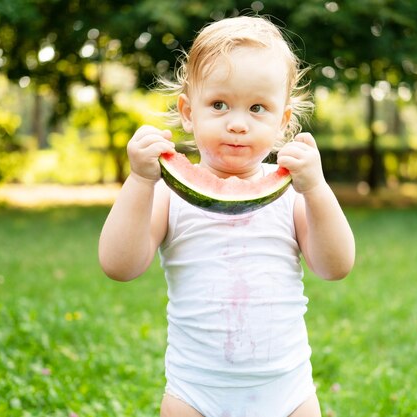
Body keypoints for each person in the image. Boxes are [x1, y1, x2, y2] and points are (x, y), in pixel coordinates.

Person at [98, 15, 356, 417]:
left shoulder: (291, 193)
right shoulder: (168, 194)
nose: (237, 123)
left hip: (286, 391)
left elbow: (336, 266)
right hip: (195, 392)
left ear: (282, 122)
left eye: (257, 108)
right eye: (219, 104)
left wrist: (317, 189)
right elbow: (119, 266)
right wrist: (138, 182)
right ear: (188, 111)